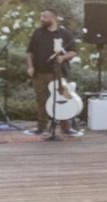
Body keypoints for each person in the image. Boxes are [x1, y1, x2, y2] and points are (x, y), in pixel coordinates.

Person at [26, 9, 82, 137]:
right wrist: (30, 67)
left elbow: (73, 51)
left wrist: (63, 58)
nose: (42, 19)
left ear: (53, 18)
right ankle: (41, 127)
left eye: (44, 16)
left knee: (64, 98)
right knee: (41, 100)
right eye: (41, 16)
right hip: (39, 73)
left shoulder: (64, 34)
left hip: (58, 73)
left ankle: (66, 128)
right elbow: (29, 52)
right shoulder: (37, 33)